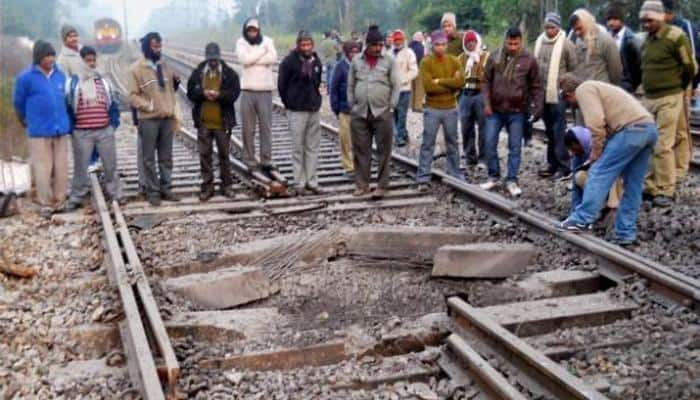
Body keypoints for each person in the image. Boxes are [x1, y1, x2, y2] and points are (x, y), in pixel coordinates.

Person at [556, 73, 657, 246]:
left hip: (630, 131)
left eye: (568, 101)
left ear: (568, 93)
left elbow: (595, 123)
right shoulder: (600, 89)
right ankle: (625, 233)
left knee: (598, 173)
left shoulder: (584, 89)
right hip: (648, 129)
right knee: (633, 185)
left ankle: (581, 219)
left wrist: (595, 153)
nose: (571, 105)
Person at [638, 0, 696, 207]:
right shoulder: (646, 40)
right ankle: (651, 186)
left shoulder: (675, 37)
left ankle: (666, 189)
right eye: (643, 20)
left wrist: (679, 87)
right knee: (648, 142)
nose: (646, 24)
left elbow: (689, 66)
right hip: (649, 97)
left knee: (663, 144)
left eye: (650, 20)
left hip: (670, 96)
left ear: (661, 17)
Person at [480, 27, 543, 197]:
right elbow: (485, 81)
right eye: (510, 43)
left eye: (516, 43)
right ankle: (493, 176)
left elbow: (536, 86)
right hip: (495, 109)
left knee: (515, 147)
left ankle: (512, 180)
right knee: (489, 143)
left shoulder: (529, 60)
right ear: (505, 41)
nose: (513, 47)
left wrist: (537, 107)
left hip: (517, 111)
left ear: (520, 42)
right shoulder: (494, 57)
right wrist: (486, 103)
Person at [13, 41, 71, 218]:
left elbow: (67, 100)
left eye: (52, 56)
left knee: (61, 167)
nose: (51, 59)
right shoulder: (26, 78)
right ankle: (45, 203)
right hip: (39, 130)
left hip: (60, 128)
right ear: (38, 57)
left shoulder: (60, 75)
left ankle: (60, 200)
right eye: (47, 56)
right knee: (42, 168)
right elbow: (18, 103)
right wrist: (25, 120)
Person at [65, 46, 121, 210]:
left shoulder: (102, 82)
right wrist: (72, 129)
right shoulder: (73, 82)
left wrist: (113, 124)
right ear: (81, 62)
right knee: (81, 167)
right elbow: (68, 105)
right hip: (82, 132)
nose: (91, 63)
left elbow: (112, 104)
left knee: (110, 165)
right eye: (87, 60)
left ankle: (115, 194)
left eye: (93, 60)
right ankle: (77, 196)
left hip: (104, 130)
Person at [128, 32, 181, 207]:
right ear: (146, 48)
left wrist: (172, 109)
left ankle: (166, 188)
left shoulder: (164, 65)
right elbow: (133, 96)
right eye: (155, 46)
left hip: (166, 118)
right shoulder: (136, 69)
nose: (158, 49)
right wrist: (149, 106)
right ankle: (153, 191)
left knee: (166, 157)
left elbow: (170, 89)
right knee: (148, 158)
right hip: (149, 119)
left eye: (159, 46)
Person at [347, 25, 400, 199]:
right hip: (360, 112)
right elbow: (350, 85)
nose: (378, 48)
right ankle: (362, 185)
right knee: (361, 150)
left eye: (380, 45)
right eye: (374, 45)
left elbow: (396, 85)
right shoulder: (356, 61)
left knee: (384, 150)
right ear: (367, 45)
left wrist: (392, 106)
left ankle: (382, 185)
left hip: (382, 111)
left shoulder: (390, 60)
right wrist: (352, 104)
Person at [186, 42, 241, 202]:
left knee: (224, 155)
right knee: (205, 155)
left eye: (215, 60)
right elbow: (190, 92)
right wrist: (203, 93)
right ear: (207, 58)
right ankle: (207, 187)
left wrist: (219, 95)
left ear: (219, 58)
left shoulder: (229, 74)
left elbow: (234, 94)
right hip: (204, 122)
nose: (213, 62)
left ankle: (227, 186)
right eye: (211, 60)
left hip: (222, 122)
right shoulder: (198, 73)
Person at [415, 30, 465, 190]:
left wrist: (440, 81)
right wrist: (450, 83)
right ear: (432, 45)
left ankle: (455, 173)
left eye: (444, 44)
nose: (441, 47)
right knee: (428, 143)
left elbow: (461, 82)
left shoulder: (454, 61)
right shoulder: (426, 62)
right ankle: (423, 177)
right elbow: (429, 87)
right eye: (437, 44)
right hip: (432, 108)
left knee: (453, 142)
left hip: (451, 108)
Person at [278, 30, 324, 196]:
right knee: (298, 148)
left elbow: (320, 83)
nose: (306, 47)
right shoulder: (289, 62)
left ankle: (312, 181)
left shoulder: (316, 60)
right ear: (298, 45)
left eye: (309, 44)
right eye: (303, 45)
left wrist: (318, 100)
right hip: (296, 110)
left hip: (313, 109)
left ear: (312, 45)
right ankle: (299, 182)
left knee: (312, 148)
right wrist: (289, 103)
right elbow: (281, 85)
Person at [534, 12, 577, 180]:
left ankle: (564, 165)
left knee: (559, 130)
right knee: (549, 131)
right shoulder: (539, 42)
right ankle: (552, 164)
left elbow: (573, 70)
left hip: (558, 94)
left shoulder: (566, 45)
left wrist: (567, 89)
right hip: (542, 93)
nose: (549, 30)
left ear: (558, 27)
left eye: (552, 27)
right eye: (547, 27)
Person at [235, 17, 278, 178]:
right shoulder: (241, 42)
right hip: (247, 91)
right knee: (248, 129)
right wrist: (262, 52)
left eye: (254, 30)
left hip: (265, 91)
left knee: (266, 128)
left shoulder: (268, 41)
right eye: (249, 30)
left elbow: (273, 58)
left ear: (259, 30)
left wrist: (254, 58)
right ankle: (250, 159)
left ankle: (266, 159)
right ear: (246, 30)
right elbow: (244, 60)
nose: (252, 33)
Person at [662, 0, 699, 180]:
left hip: (682, 83)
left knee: (682, 127)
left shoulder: (685, 27)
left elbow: (694, 57)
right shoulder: (658, 29)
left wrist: (690, 84)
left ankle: (681, 168)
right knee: (667, 127)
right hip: (665, 85)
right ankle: (669, 167)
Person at [565, 126, 624, 214]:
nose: (574, 152)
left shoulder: (599, 144)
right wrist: (575, 210)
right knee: (579, 177)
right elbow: (575, 186)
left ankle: (614, 208)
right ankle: (599, 206)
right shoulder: (577, 155)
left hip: (619, 180)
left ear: (580, 142)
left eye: (574, 149)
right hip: (600, 181)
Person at [457, 29, 490, 169]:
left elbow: (489, 76)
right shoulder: (461, 58)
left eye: (473, 42)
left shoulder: (485, 56)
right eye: (468, 42)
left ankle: (484, 158)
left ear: (477, 42)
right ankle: (470, 157)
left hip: (480, 94)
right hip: (465, 94)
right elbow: (457, 77)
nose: (471, 44)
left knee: (484, 127)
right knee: (466, 126)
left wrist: (479, 64)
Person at [569, 9, 624, 85]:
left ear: (586, 23)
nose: (577, 33)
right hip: (584, 91)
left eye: (579, 28)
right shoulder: (578, 42)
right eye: (574, 30)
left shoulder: (605, 40)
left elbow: (616, 71)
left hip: (602, 91)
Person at [330, 41, 361, 176]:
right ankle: (349, 167)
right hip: (345, 109)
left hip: (360, 109)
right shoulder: (340, 67)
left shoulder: (361, 66)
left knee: (360, 140)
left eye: (356, 52)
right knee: (346, 140)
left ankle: (359, 166)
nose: (354, 54)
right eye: (351, 52)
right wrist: (336, 108)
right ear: (346, 53)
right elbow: (334, 88)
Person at [605, 3, 642, 93]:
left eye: (615, 19)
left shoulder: (631, 40)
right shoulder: (606, 37)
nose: (611, 23)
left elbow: (637, 67)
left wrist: (631, 86)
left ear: (622, 20)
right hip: (610, 85)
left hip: (627, 87)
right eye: (609, 19)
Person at [391, 30, 418, 147]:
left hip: (404, 89)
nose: (397, 42)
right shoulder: (389, 53)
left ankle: (400, 137)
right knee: (394, 114)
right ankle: (403, 134)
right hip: (392, 90)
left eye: (399, 40)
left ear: (403, 40)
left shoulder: (409, 53)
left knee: (402, 114)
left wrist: (404, 79)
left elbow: (414, 70)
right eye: (395, 40)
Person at [409, 32, 426, 113]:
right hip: (418, 68)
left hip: (410, 69)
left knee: (412, 88)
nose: (423, 38)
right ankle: (418, 106)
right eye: (422, 36)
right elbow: (420, 58)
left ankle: (410, 105)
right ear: (419, 38)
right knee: (419, 88)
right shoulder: (420, 46)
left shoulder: (409, 46)